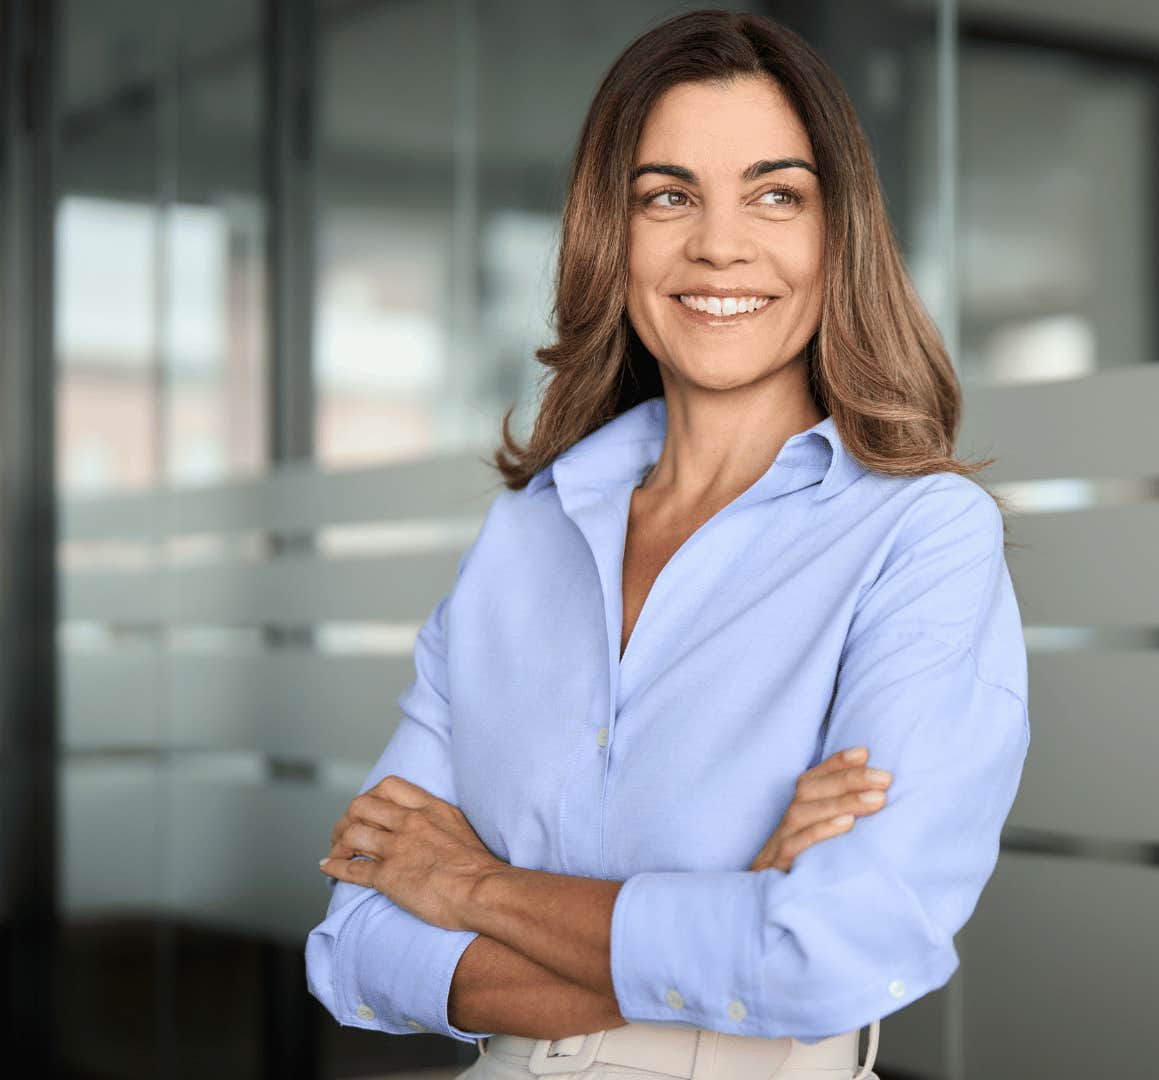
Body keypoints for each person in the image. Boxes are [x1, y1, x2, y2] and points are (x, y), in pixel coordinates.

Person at [301, 10, 1031, 1080]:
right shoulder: (526, 536)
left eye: (775, 194)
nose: (718, 244)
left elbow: (829, 953)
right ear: (615, 232)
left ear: (841, 233)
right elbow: (356, 942)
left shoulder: (918, 538)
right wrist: (730, 914)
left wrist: (471, 890)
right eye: (668, 195)